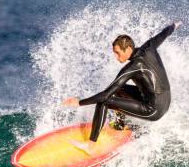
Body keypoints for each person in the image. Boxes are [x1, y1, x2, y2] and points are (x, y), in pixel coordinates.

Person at [63, 21, 181, 154]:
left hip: (154, 110)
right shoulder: (149, 47)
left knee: (104, 101)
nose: (116, 57)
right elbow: (163, 34)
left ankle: (91, 145)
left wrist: (79, 102)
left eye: (118, 53)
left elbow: (105, 95)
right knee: (118, 90)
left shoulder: (131, 68)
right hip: (165, 100)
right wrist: (174, 25)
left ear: (128, 49)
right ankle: (120, 125)